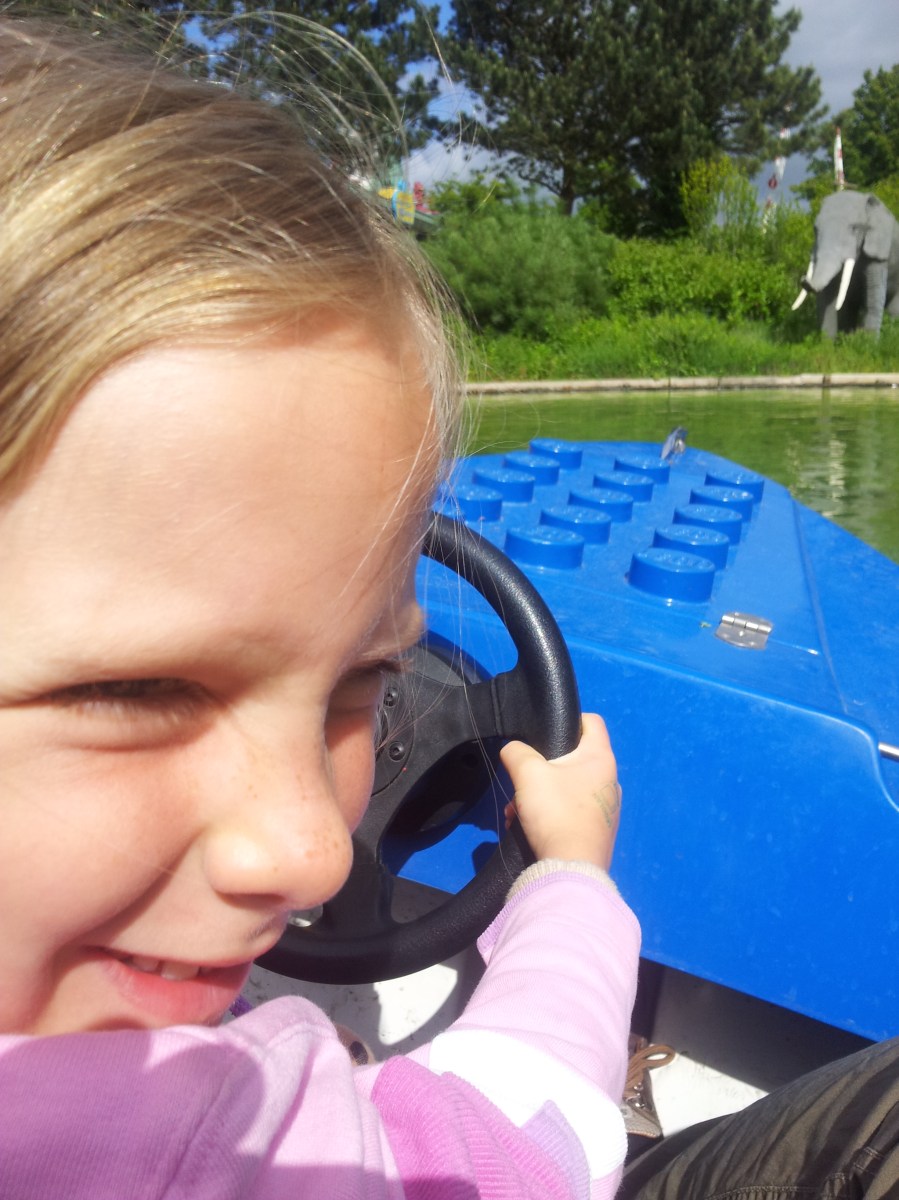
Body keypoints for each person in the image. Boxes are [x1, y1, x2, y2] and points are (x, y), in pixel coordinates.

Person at [2, 15, 898, 1200]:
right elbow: (516, 1139)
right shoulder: (204, 1143)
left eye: (363, 684)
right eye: (138, 691)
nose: (312, 854)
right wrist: (568, 881)